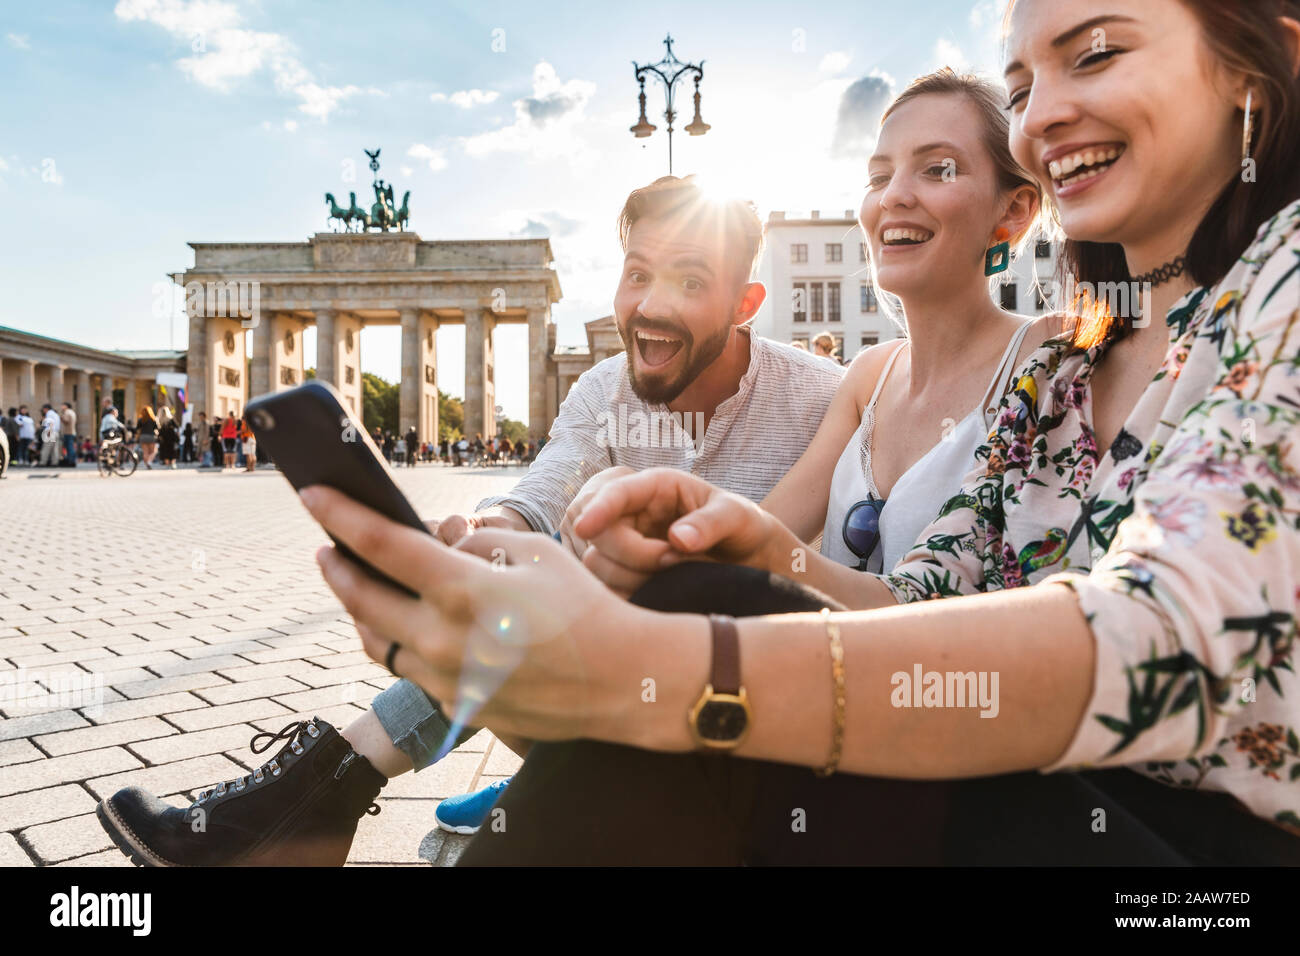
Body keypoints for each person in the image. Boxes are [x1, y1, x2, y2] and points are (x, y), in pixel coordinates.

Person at [302, 0, 1300, 866]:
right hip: (1042, 792)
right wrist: (751, 539)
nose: (1043, 114)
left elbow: (1163, 638)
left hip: (1197, 857)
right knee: (711, 590)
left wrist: (652, 676)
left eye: (1093, 54)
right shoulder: (1060, 367)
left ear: (1260, 68)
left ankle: (349, 790)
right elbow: (911, 603)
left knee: (700, 683)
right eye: (1024, 84)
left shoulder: (1281, 283)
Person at [96, 173, 846, 866]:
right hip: (626, 699)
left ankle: (311, 804)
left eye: (690, 280)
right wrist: (481, 539)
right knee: (510, 586)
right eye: (638, 274)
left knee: (615, 581)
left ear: (746, 304)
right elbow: (537, 493)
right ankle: (323, 800)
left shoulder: (821, 397)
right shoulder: (602, 390)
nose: (651, 305)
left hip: (765, 719)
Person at [59, 402, 77, 467]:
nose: (61, 407)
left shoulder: (67, 412)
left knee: (69, 447)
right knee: (71, 447)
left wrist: (61, 418)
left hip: (68, 432)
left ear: (66, 406)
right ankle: (71, 460)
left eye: (62, 405)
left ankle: (71, 461)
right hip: (72, 432)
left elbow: (66, 421)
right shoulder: (72, 412)